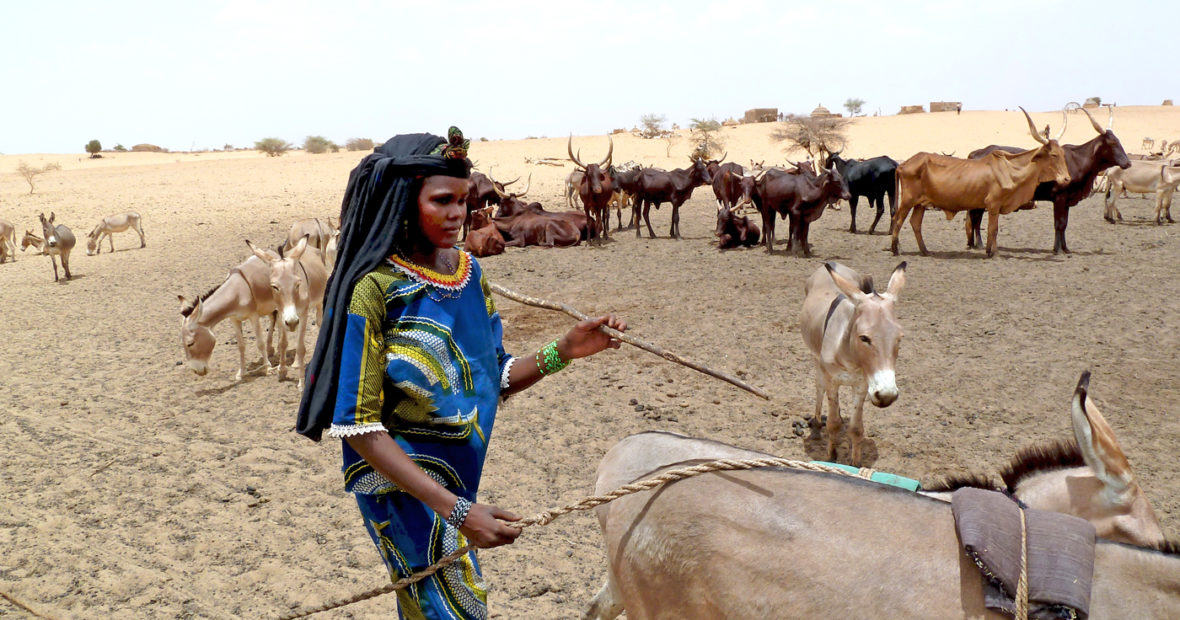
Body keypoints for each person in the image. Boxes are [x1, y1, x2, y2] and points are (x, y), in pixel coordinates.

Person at [295, 128, 626, 619]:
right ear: (405, 200)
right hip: (398, 487)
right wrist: (459, 512)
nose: (458, 214)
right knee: (455, 609)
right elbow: (359, 428)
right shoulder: (375, 290)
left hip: (456, 486)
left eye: (464, 200)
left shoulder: (468, 273)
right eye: (442, 200)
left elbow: (494, 378)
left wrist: (565, 351)